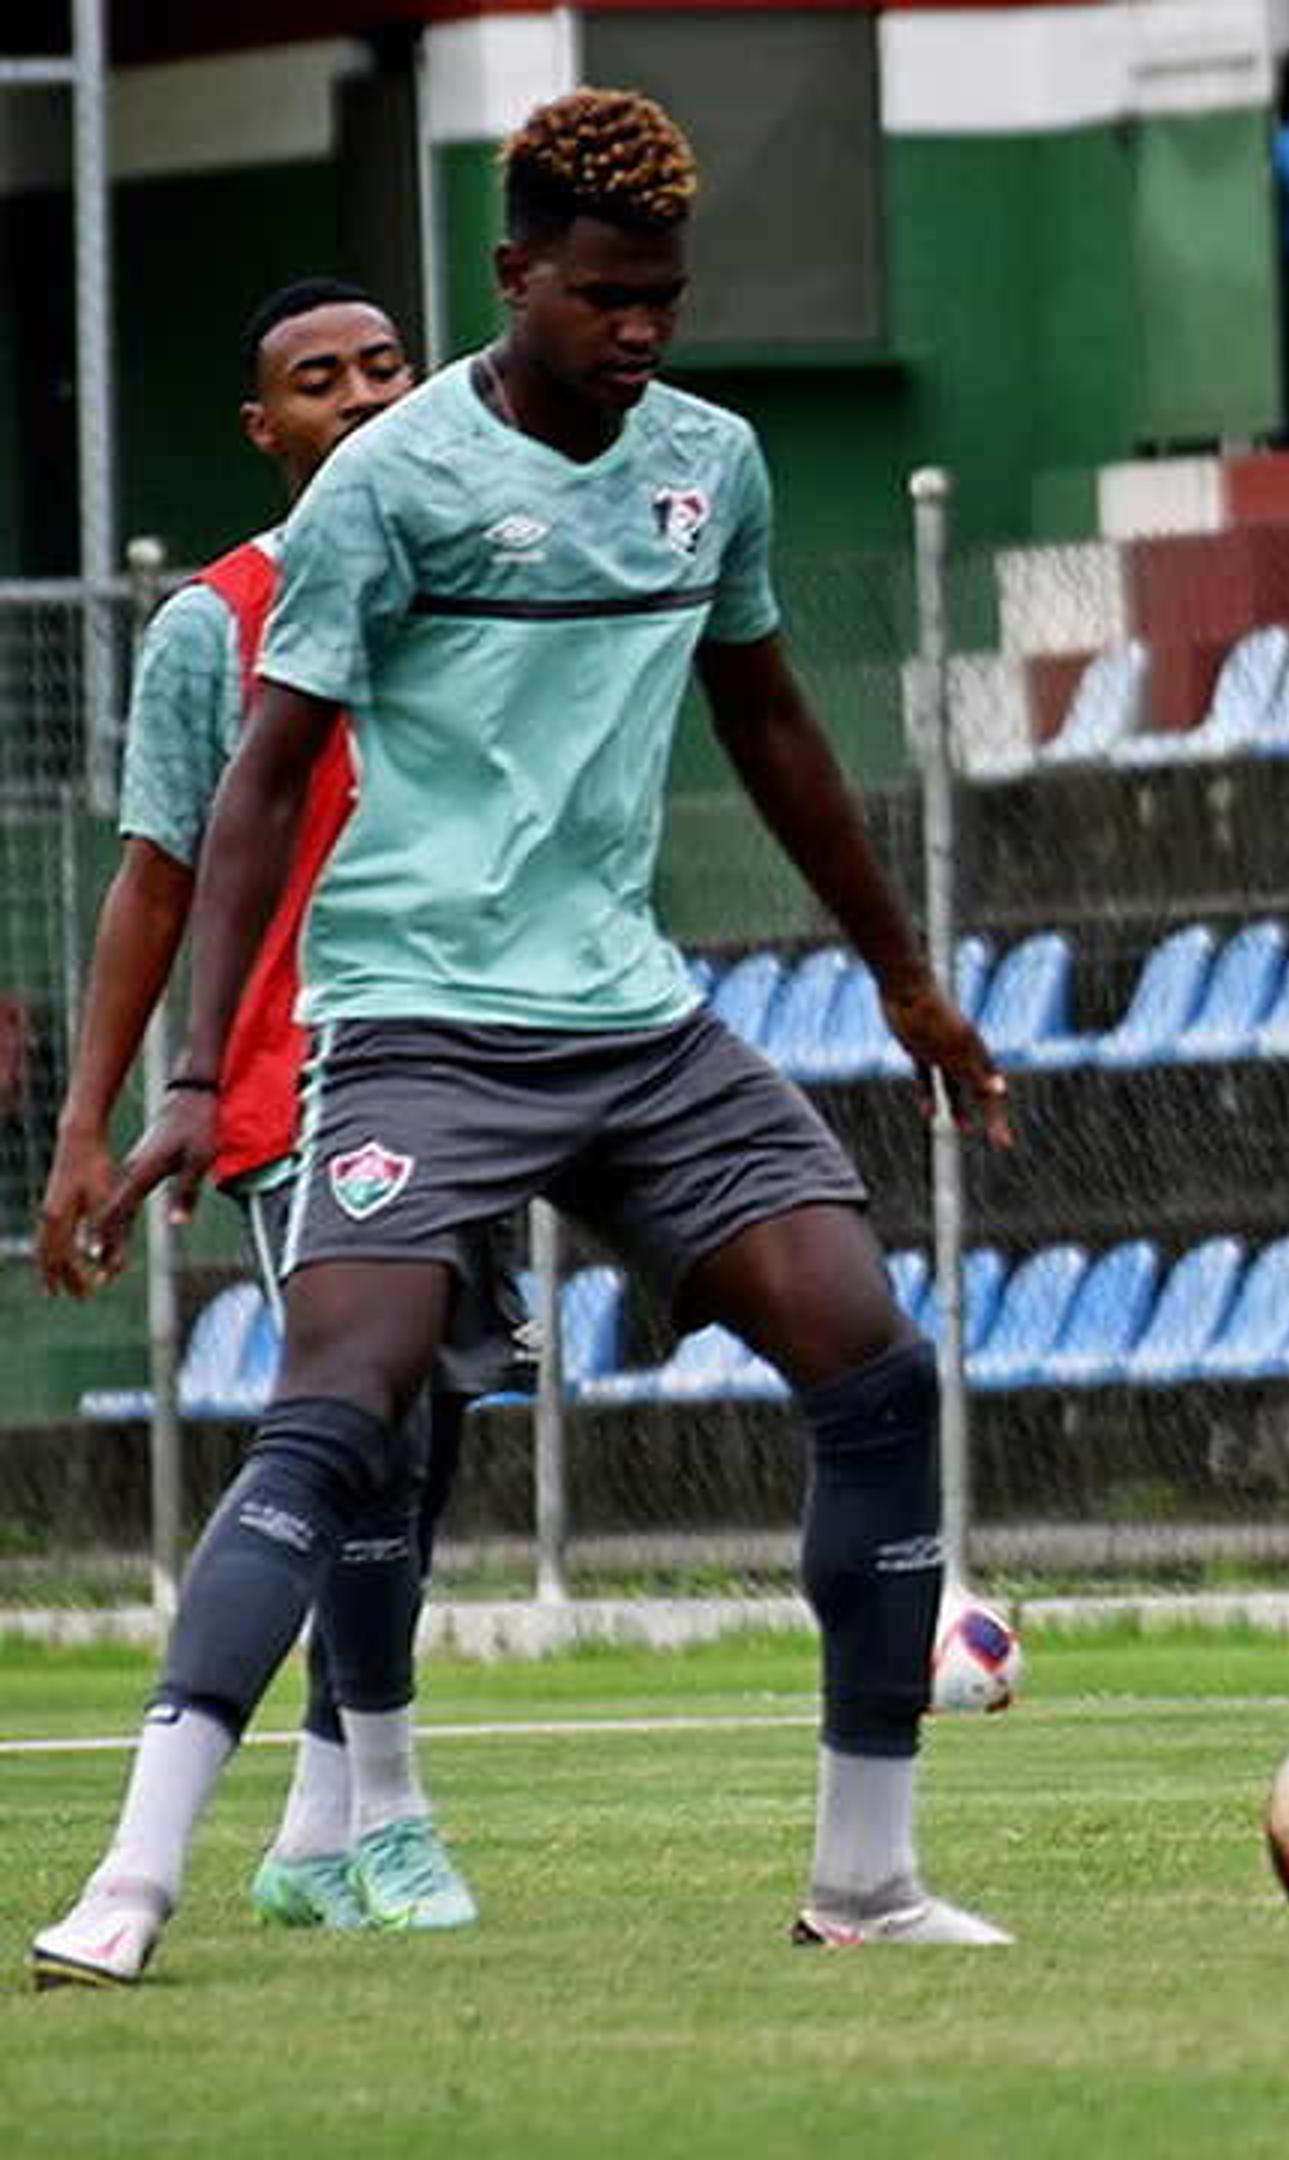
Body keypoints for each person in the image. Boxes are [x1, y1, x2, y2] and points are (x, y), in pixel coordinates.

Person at [31, 87, 1014, 1991]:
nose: (640, 328)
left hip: (637, 1024)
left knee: (874, 1366)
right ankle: (132, 1882)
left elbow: (776, 728)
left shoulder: (707, 465)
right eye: (601, 295)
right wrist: (175, 1079)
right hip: (418, 1028)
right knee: (338, 1419)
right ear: (515, 276)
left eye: (664, 296)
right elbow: (256, 792)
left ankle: (870, 1880)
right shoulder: (384, 488)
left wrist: (902, 975)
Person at [32, 276, 531, 1937]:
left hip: (482, 1055)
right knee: (362, 1428)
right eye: (321, 383)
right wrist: (93, 1125)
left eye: (389, 366)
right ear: (268, 432)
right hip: (291, 1087)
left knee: (431, 1442)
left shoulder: (486, 596)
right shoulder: (215, 626)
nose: (367, 398)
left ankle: (320, 1828)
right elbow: (155, 883)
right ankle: (390, 1816)